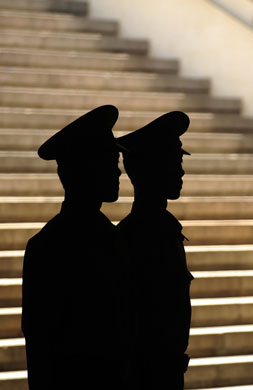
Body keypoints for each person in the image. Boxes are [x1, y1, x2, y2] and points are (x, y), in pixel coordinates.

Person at [21, 105, 131, 389]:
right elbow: (45, 351)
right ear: (81, 170)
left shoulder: (108, 236)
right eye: (108, 161)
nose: (118, 172)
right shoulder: (52, 247)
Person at [116, 111, 194, 389]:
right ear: (148, 169)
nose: (181, 170)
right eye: (173, 160)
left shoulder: (164, 229)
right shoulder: (136, 236)